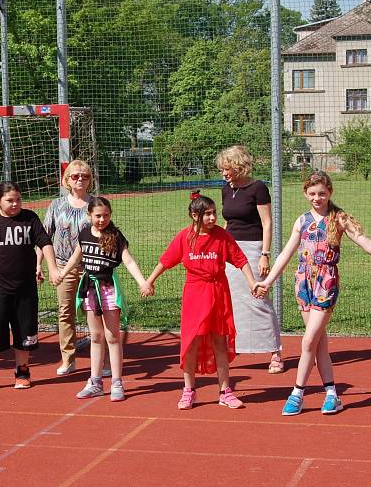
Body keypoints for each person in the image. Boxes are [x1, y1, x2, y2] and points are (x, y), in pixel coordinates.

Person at [255, 171, 371, 416]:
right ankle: (332, 394)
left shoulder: (339, 218)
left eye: (322, 193)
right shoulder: (301, 221)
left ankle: (297, 392)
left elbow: (366, 243)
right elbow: (286, 254)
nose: (317, 198)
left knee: (308, 341)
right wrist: (268, 281)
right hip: (304, 283)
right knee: (319, 344)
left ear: (330, 192)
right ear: (305, 194)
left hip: (326, 282)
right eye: (312, 194)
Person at [145, 191, 261, 410]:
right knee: (191, 343)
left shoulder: (222, 236)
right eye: (207, 214)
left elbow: (240, 260)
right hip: (195, 294)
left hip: (218, 293)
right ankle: (189, 390)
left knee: (220, 342)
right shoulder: (184, 237)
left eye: (214, 213)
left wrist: (252, 282)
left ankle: (225, 391)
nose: (212, 218)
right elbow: (166, 260)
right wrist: (149, 281)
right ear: (194, 215)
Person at [52, 196, 151, 402]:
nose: (102, 219)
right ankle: (95, 381)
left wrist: (143, 282)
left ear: (110, 215)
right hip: (89, 289)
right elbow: (76, 257)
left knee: (112, 336)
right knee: (96, 337)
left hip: (108, 289)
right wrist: (62, 273)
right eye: (98, 216)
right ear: (89, 215)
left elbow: (129, 261)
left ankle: (116, 382)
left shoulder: (115, 236)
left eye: (106, 215)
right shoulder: (85, 233)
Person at [0, 181, 60, 392]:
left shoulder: (30, 218)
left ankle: (22, 371)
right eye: (10, 200)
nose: (15, 204)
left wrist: (53, 268)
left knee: (24, 332)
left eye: (18, 200)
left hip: (25, 289)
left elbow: (45, 242)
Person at [216, 145, 283, 374]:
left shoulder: (258, 188)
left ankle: (275, 352)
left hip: (253, 248)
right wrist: (219, 248)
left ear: (239, 166)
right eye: (222, 170)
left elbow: (267, 223)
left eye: (227, 169)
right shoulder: (226, 189)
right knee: (233, 301)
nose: (224, 174)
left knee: (258, 297)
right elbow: (227, 223)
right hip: (229, 250)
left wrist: (265, 254)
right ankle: (236, 347)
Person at [41, 160, 94, 376]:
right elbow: (44, 237)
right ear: (67, 180)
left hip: (91, 268)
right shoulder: (56, 205)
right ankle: (68, 359)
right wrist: (40, 265)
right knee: (65, 313)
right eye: (75, 176)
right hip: (63, 268)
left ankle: (104, 359)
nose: (80, 179)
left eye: (84, 176)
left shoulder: (96, 204)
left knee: (94, 313)